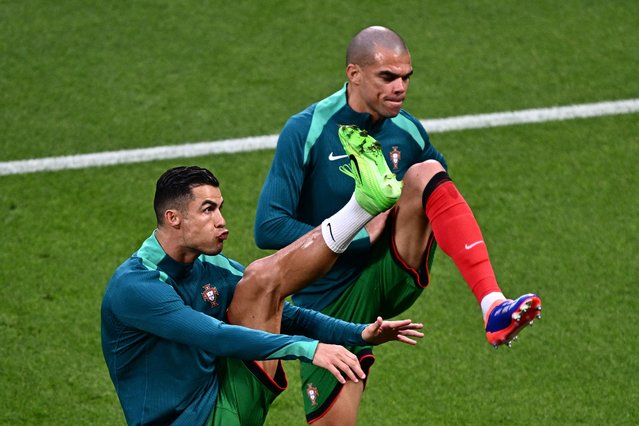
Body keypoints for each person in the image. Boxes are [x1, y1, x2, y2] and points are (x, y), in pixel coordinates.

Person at [254, 26, 543, 424]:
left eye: (406, 76)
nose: (401, 87)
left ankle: (492, 304)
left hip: (386, 268)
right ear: (354, 73)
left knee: (427, 172)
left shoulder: (407, 130)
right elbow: (268, 228)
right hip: (326, 302)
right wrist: (358, 238)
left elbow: (440, 198)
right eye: (387, 77)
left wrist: (400, 213)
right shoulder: (306, 131)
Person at [101, 163, 423, 426]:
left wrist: (359, 332)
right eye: (208, 210)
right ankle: (360, 207)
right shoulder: (138, 287)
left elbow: (288, 313)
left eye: (220, 208)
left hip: (223, 398)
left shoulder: (211, 265)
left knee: (261, 281)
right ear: (174, 218)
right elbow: (216, 337)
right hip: (195, 420)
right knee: (261, 278)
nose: (222, 221)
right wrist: (308, 350)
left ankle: (361, 204)